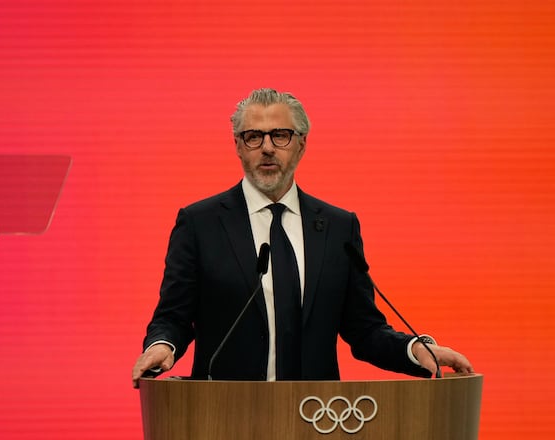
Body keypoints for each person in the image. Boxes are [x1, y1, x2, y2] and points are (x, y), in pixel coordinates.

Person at [132, 88, 473, 387]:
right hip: (225, 414)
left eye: (280, 135)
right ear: (237, 146)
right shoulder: (199, 223)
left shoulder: (340, 228)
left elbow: (364, 329)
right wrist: (161, 346)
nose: (267, 147)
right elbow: (173, 316)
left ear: (301, 144)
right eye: (253, 136)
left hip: (317, 416)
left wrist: (415, 349)